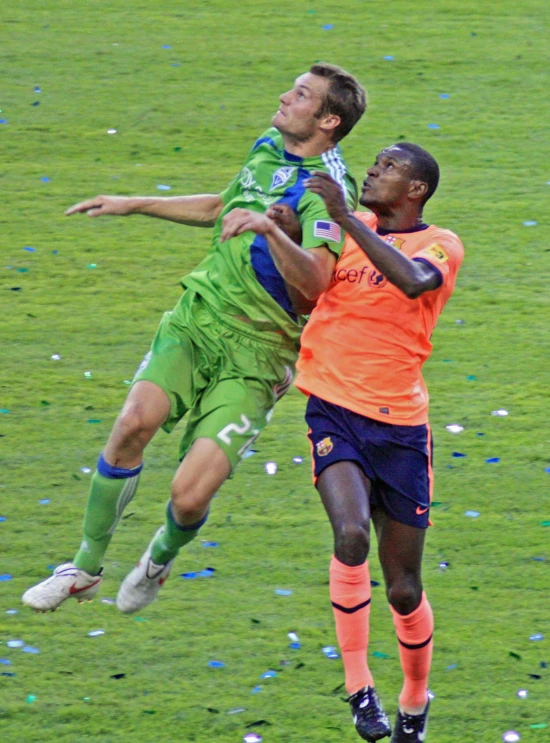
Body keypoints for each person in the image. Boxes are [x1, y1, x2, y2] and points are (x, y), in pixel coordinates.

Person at [22, 63, 366, 614]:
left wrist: (271, 229)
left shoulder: (329, 188)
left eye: (299, 95)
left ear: (328, 120)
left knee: (188, 497)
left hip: (259, 352)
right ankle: (83, 568)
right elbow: (220, 207)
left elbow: (317, 285)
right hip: (197, 317)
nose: (283, 96)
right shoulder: (266, 148)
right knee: (133, 425)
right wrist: (132, 203)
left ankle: (158, 559)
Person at [292, 144, 464, 742]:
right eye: (373, 164)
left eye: (388, 168)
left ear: (416, 190)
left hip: (399, 431)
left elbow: (416, 282)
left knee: (403, 586)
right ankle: (360, 687)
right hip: (334, 412)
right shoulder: (345, 231)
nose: (372, 171)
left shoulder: (440, 243)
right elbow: (307, 286)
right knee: (349, 534)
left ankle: (414, 702)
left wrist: (344, 220)